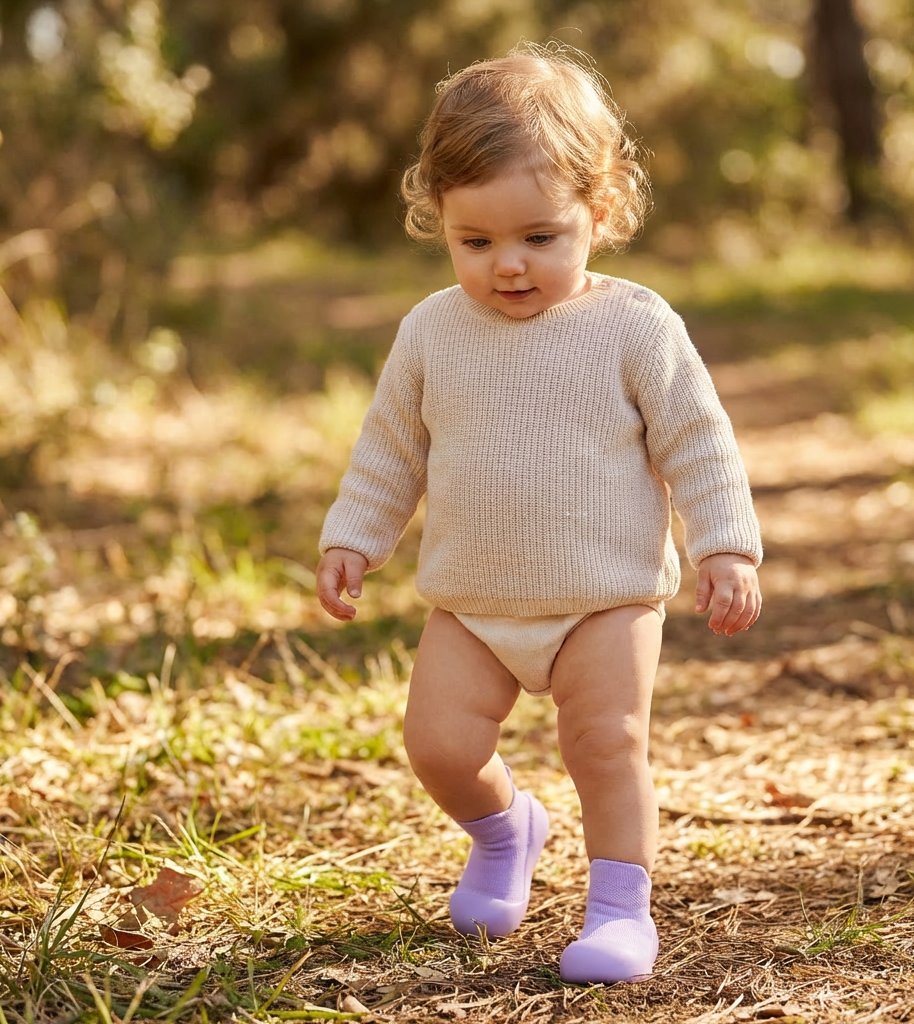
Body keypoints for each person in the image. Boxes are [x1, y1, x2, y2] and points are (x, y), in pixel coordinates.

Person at [316, 42, 762, 984]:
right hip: (472, 602)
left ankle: (617, 910)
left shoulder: (636, 326)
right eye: (475, 242)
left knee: (606, 742)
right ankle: (506, 830)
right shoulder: (433, 331)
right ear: (438, 219)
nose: (507, 266)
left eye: (539, 238)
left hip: (605, 597)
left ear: (600, 212)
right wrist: (355, 536)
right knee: (437, 745)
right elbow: (394, 447)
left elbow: (698, 440)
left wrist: (725, 546)